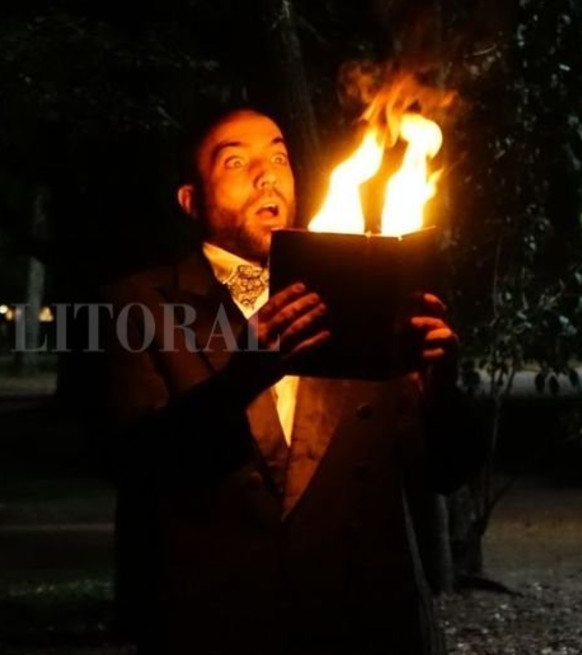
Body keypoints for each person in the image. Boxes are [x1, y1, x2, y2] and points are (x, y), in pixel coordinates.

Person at [100, 107, 486, 655]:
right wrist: (246, 376)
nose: (267, 174)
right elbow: (141, 465)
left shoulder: (365, 296)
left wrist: (440, 389)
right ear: (191, 200)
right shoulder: (141, 305)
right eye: (237, 160)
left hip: (365, 626)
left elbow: (446, 472)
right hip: (217, 627)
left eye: (279, 156)